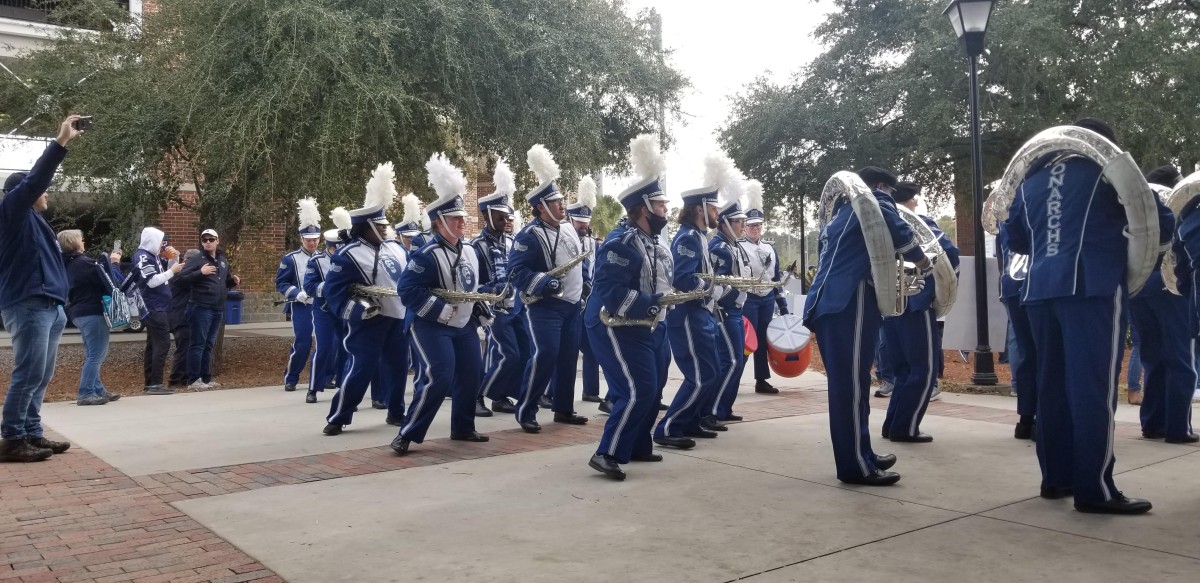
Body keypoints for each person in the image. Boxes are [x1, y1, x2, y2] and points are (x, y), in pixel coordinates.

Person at [1001, 117, 1169, 514]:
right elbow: (1160, 223)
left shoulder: (1030, 180)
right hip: (1091, 286)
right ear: (1105, 144)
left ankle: (1056, 478)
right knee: (1092, 390)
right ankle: (1095, 488)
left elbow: (1016, 238)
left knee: (1052, 388)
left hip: (1040, 290)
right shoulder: (1111, 172)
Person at [803, 166, 927, 486]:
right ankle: (856, 465)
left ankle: (863, 453)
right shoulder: (872, 202)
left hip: (830, 303)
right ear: (880, 186)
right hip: (851, 300)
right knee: (852, 388)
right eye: (890, 193)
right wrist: (926, 262)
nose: (893, 200)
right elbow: (901, 234)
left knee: (853, 386)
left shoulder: (840, 214)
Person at [586, 133, 676, 479]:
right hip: (612, 324)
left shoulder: (652, 243)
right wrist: (652, 304)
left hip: (642, 324)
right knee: (636, 389)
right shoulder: (621, 242)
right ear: (643, 207)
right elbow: (611, 293)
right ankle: (606, 452)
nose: (666, 211)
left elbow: (660, 283)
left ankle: (637, 444)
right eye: (661, 205)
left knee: (652, 389)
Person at [390, 154, 490, 454]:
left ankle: (463, 427)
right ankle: (407, 432)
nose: (463, 222)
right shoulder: (426, 254)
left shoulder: (471, 251)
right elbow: (407, 291)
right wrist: (442, 309)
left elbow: (476, 286)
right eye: (456, 218)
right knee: (440, 376)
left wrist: (484, 306)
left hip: (463, 325)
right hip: (430, 325)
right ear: (439, 222)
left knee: (473, 374)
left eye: (463, 217)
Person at [0, 115, 83, 462]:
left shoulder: (37, 224)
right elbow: (36, 179)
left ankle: (32, 432)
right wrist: (60, 142)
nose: (45, 193)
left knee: (42, 373)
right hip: (28, 303)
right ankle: (12, 439)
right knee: (29, 371)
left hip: (49, 306)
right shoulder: (11, 212)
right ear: (24, 194)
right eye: (39, 191)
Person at [654, 153, 739, 446]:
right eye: (713, 206)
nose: (717, 211)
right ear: (701, 209)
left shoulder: (700, 236)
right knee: (701, 375)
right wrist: (712, 288)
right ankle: (668, 429)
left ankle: (690, 421)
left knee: (711, 371)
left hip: (701, 313)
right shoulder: (688, 238)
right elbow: (682, 277)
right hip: (688, 314)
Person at [319, 164, 409, 434]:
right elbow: (334, 292)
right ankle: (338, 416)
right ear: (366, 227)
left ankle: (396, 412)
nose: (384, 229)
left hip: (398, 317)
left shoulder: (396, 248)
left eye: (384, 225)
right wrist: (358, 311)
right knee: (361, 368)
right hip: (369, 320)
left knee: (399, 368)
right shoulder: (348, 254)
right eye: (379, 225)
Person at [509, 145, 590, 433]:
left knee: (568, 357)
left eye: (561, 200)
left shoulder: (568, 227)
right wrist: (544, 282)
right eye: (555, 202)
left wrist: (585, 284)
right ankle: (526, 409)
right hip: (544, 306)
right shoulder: (528, 235)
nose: (562, 205)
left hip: (571, 305)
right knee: (545, 353)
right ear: (541, 207)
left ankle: (563, 408)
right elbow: (516, 272)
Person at [880, 181, 959, 443]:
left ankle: (893, 424)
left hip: (890, 305)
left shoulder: (879, 226)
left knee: (901, 370)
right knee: (923, 369)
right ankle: (906, 427)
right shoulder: (921, 223)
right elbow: (949, 254)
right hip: (916, 302)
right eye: (915, 198)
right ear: (911, 200)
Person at [1129, 165, 1196, 443]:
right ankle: (1177, 427)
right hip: (1169, 283)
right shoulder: (1178, 197)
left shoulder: (1138, 198)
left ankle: (1152, 422)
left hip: (1139, 282)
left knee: (1151, 355)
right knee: (1180, 356)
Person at [471, 159, 522, 415]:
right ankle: (477, 395)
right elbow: (471, 283)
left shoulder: (513, 241)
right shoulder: (475, 246)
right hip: (492, 307)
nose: (505, 219)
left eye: (506, 215)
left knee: (520, 353)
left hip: (515, 305)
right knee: (507, 354)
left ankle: (500, 396)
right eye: (500, 215)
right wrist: (491, 289)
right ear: (488, 216)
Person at [704, 194, 752, 428]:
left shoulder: (734, 246)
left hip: (735, 310)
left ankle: (724, 407)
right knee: (731, 361)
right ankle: (713, 411)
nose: (743, 226)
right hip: (723, 310)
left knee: (737, 361)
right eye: (738, 222)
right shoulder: (718, 246)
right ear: (724, 223)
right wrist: (735, 293)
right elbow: (715, 283)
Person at [738, 180, 791, 395]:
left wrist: (783, 305)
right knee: (746, 341)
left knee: (763, 340)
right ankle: (733, 378)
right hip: (749, 297)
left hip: (767, 297)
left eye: (758, 225)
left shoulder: (769, 248)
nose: (755, 228)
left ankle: (762, 379)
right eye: (751, 225)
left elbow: (776, 276)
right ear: (745, 227)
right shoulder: (739, 247)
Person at [60, 229, 120, 406]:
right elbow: (110, 281)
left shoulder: (66, 264)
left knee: (91, 353)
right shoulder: (86, 263)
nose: (84, 241)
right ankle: (86, 392)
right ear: (75, 243)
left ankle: (98, 390)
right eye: (81, 239)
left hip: (78, 311)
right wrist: (114, 263)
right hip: (93, 311)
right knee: (96, 355)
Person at [177, 228, 239, 390]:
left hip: (217, 308)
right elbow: (181, 279)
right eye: (205, 240)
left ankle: (206, 378)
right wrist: (200, 272)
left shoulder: (222, 261)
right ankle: (193, 379)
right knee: (198, 343)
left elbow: (224, 282)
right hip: (200, 307)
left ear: (217, 241)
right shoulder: (197, 259)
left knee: (209, 344)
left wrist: (233, 282)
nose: (208, 242)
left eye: (211, 239)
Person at [302, 208, 351, 405]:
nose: (338, 251)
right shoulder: (316, 261)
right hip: (323, 310)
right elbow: (309, 286)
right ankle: (313, 387)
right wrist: (329, 288)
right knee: (324, 348)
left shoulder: (350, 259)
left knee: (346, 348)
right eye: (334, 248)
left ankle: (344, 389)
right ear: (329, 247)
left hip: (344, 309)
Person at [127, 227, 183, 394]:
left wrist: (176, 258)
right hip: (153, 306)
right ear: (152, 241)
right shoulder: (143, 257)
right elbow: (152, 281)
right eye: (160, 242)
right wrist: (172, 271)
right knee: (163, 343)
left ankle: (151, 382)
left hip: (160, 306)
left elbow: (168, 271)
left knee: (153, 344)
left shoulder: (153, 257)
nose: (162, 245)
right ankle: (155, 383)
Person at [276, 198, 322, 393]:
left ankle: (322, 377)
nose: (312, 243)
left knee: (325, 343)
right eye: (308, 239)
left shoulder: (323, 257)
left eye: (315, 239)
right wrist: (297, 293)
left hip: (321, 305)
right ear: (301, 239)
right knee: (303, 342)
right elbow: (281, 283)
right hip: (301, 305)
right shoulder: (291, 258)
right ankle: (292, 376)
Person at [566, 177, 602, 404]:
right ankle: (550, 394)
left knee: (592, 349)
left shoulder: (593, 243)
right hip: (570, 300)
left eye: (585, 221)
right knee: (565, 351)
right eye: (579, 221)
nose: (583, 225)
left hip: (589, 300)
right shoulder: (565, 240)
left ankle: (591, 391)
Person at [168, 249, 199, 389]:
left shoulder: (184, 272)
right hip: (180, 316)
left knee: (187, 348)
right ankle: (175, 379)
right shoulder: (180, 273)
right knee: (183, 349)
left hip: (184, 315)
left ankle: (185, 377)